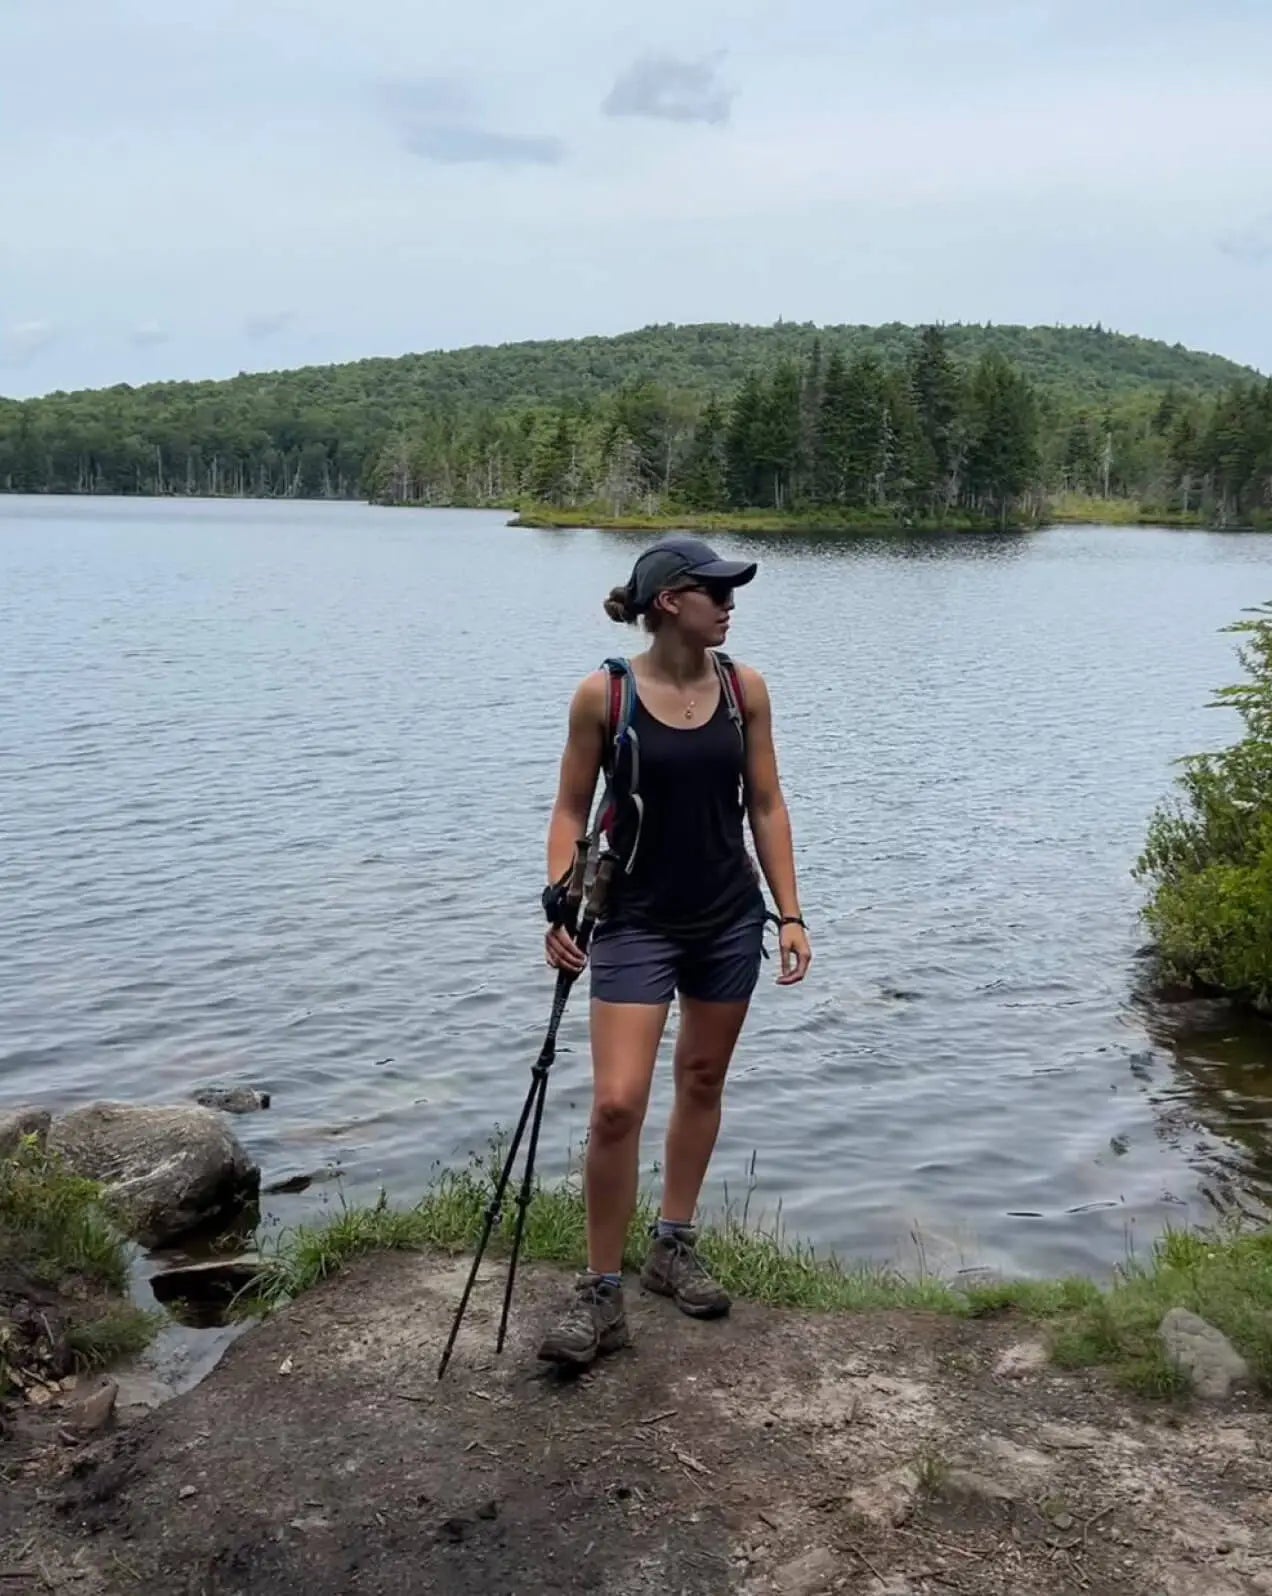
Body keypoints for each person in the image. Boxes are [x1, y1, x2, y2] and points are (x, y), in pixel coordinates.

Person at [537, 534, 811, 1367]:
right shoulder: (604, 696)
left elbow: (764, 803)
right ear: (668, 602)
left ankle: (671, 1246)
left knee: (701, 1078)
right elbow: (569, 810)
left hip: (728, 917)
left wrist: (791, 915)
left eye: (731, 593)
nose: (729, 604)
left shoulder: (744, 690)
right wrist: (560, 899)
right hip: (634, 921)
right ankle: (600, 1291)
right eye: (715, 592)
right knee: (617, 1102)